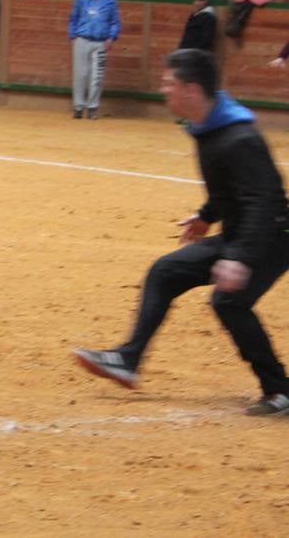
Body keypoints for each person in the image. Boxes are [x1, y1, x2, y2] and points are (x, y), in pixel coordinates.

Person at [74, 49, 289, 416]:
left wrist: (239, 258)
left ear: (191, 89)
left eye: (168, 83)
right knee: (166, 270)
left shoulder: (238, 137)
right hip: (244, 232)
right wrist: (207, 215)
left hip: (272, 237)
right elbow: (228, 189)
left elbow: (264, 201)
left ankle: (280, 391)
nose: (163, 90)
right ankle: (127, 359)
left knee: (228, 301)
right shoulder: (208, 127)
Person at [68, 0, 121, 119]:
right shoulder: (81, 0)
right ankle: (78, 107)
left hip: (100, 41)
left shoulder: (110, 2)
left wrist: (111, 38)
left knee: (97, 76)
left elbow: (115, 22)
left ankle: (92, 108)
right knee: (80, 75)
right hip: (82, 39)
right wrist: (73, 35)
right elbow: (73, 18)